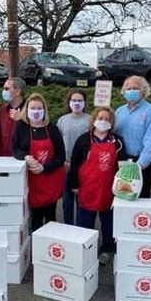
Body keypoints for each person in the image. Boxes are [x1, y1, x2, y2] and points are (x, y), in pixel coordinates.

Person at [69, 107, 127, 265]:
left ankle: (107, 250)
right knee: (84, 222)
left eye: (107, 119)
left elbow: (123, 167)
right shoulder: (83, 140)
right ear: (93, 120)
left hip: (109, 190)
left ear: (111, 122)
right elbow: (74, 165)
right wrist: (74, 184)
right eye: (100, 118)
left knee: (108, 222)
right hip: (87, 189)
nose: (103, 121)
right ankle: (84, 248)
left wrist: (122, 188)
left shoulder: (118, 141)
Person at [11, 93, 65, 231]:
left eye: (39, 109)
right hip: (32, 181)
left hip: (50, 179)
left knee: (51, 217)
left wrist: (44, 168)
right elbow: (14, 149)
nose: (36, 112)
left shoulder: (52, 129)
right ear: (27, 109)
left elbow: (60, 156)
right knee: (35, 218)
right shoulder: (21, 127)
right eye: (32, 108)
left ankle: (50, 245)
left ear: (44, 110)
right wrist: (26, 157)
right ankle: (36, 246)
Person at [114, 75, 151, 198]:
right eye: (128, 88)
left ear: (143, 91)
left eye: (135, 88)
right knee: (121, 199)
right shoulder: (119, 112)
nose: (131, 91)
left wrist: (136, 168)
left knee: (138, 203)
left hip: (141, 164)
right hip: (122, 162)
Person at [57, 89, 90, 225]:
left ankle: (81, 228)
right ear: (69, 102)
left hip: (84, 166)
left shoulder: (89, 120)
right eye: (74, 100)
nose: (76, 103)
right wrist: (63, 161)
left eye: (80, 100)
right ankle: (68, 227)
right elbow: (57, 143)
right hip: (67, 165)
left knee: (82, 200)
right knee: (67, 201)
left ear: (84, 102)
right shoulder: (62, 120)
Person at [0, 77, 26, 156]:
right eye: (3, 88)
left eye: (7, 89)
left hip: (20, 157)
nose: (4, 91)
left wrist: (21, 120)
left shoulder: (28, 110)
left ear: (17, 91)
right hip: (2, 157)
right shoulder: (3, 109)